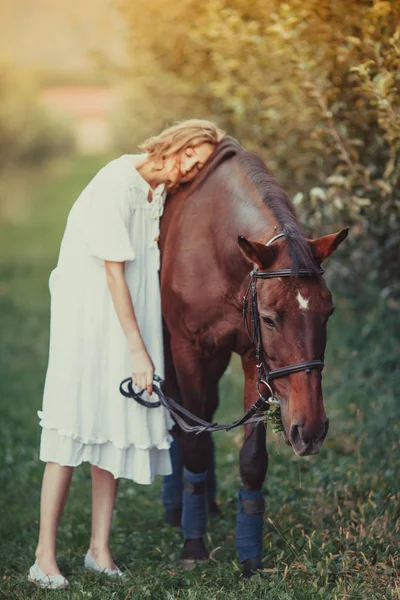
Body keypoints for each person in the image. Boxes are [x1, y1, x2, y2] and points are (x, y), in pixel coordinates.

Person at [29, 119, 226, 589]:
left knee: (112, 427)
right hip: (93, 320)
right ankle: (43, 557)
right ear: (174, 146)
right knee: (72, 426)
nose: (190, 171)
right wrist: (139, 351)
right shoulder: (116, 184)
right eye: (189, 159)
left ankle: (99, 549)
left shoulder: (154, 192)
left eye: (198, 167)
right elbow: (114, 275)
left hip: (127, 319)